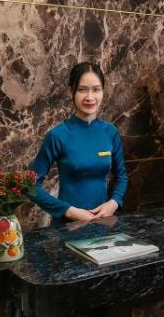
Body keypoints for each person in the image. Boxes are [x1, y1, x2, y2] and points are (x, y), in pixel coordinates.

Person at [29, 62, 128, 223]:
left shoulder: (110, 132)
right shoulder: (58, 135)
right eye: (82, 90)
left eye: (96, 89)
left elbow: (122, 176)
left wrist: (114, 202)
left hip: (103, 223)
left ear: (103, 91)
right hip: (67, 226)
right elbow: (30, 186)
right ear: (71, 92)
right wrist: (68, 211)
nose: (90, 97)